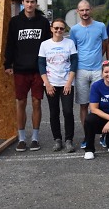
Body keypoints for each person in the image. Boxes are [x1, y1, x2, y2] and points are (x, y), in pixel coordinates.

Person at [4, 0, 51, 152]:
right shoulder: (15, 22)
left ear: (36, 3)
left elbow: (48, 47)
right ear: (23, 3)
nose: (29, 4)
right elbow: (10, 44)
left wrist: (48, 67)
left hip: (38, 70)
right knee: (21, 102)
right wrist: (7, 64)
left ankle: (35, 138)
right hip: (20, 69)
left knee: (37, 102)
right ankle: (22, 138)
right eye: (27, 1)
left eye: (32, 1)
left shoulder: (43, 22)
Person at [69, 0, 108, 149]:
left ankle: (104, 134)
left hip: (98, 70)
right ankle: (87, 136)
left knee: (100, 105)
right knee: (84, 105)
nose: (85, 13)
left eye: (87, 10)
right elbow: (73, 49)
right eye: (82, 10)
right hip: (81, 71)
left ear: (91, 10)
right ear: (77, 12)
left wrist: (99, 57)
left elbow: (105, 44)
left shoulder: (100, 26)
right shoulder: (74, 30)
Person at [38, 18, 77, 153]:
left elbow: (74, 63)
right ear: (51, 29)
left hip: (66, 83)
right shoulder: (45, 45)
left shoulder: (70, 43)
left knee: (68, 111)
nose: (58, 30)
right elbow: (41, 65)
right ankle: (57, 139)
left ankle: (68, 140)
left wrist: (69, 82)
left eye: (61, 28)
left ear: (64, 29)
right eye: (56, 28)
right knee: (54, 112)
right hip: (51, 83)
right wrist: (47, 84)